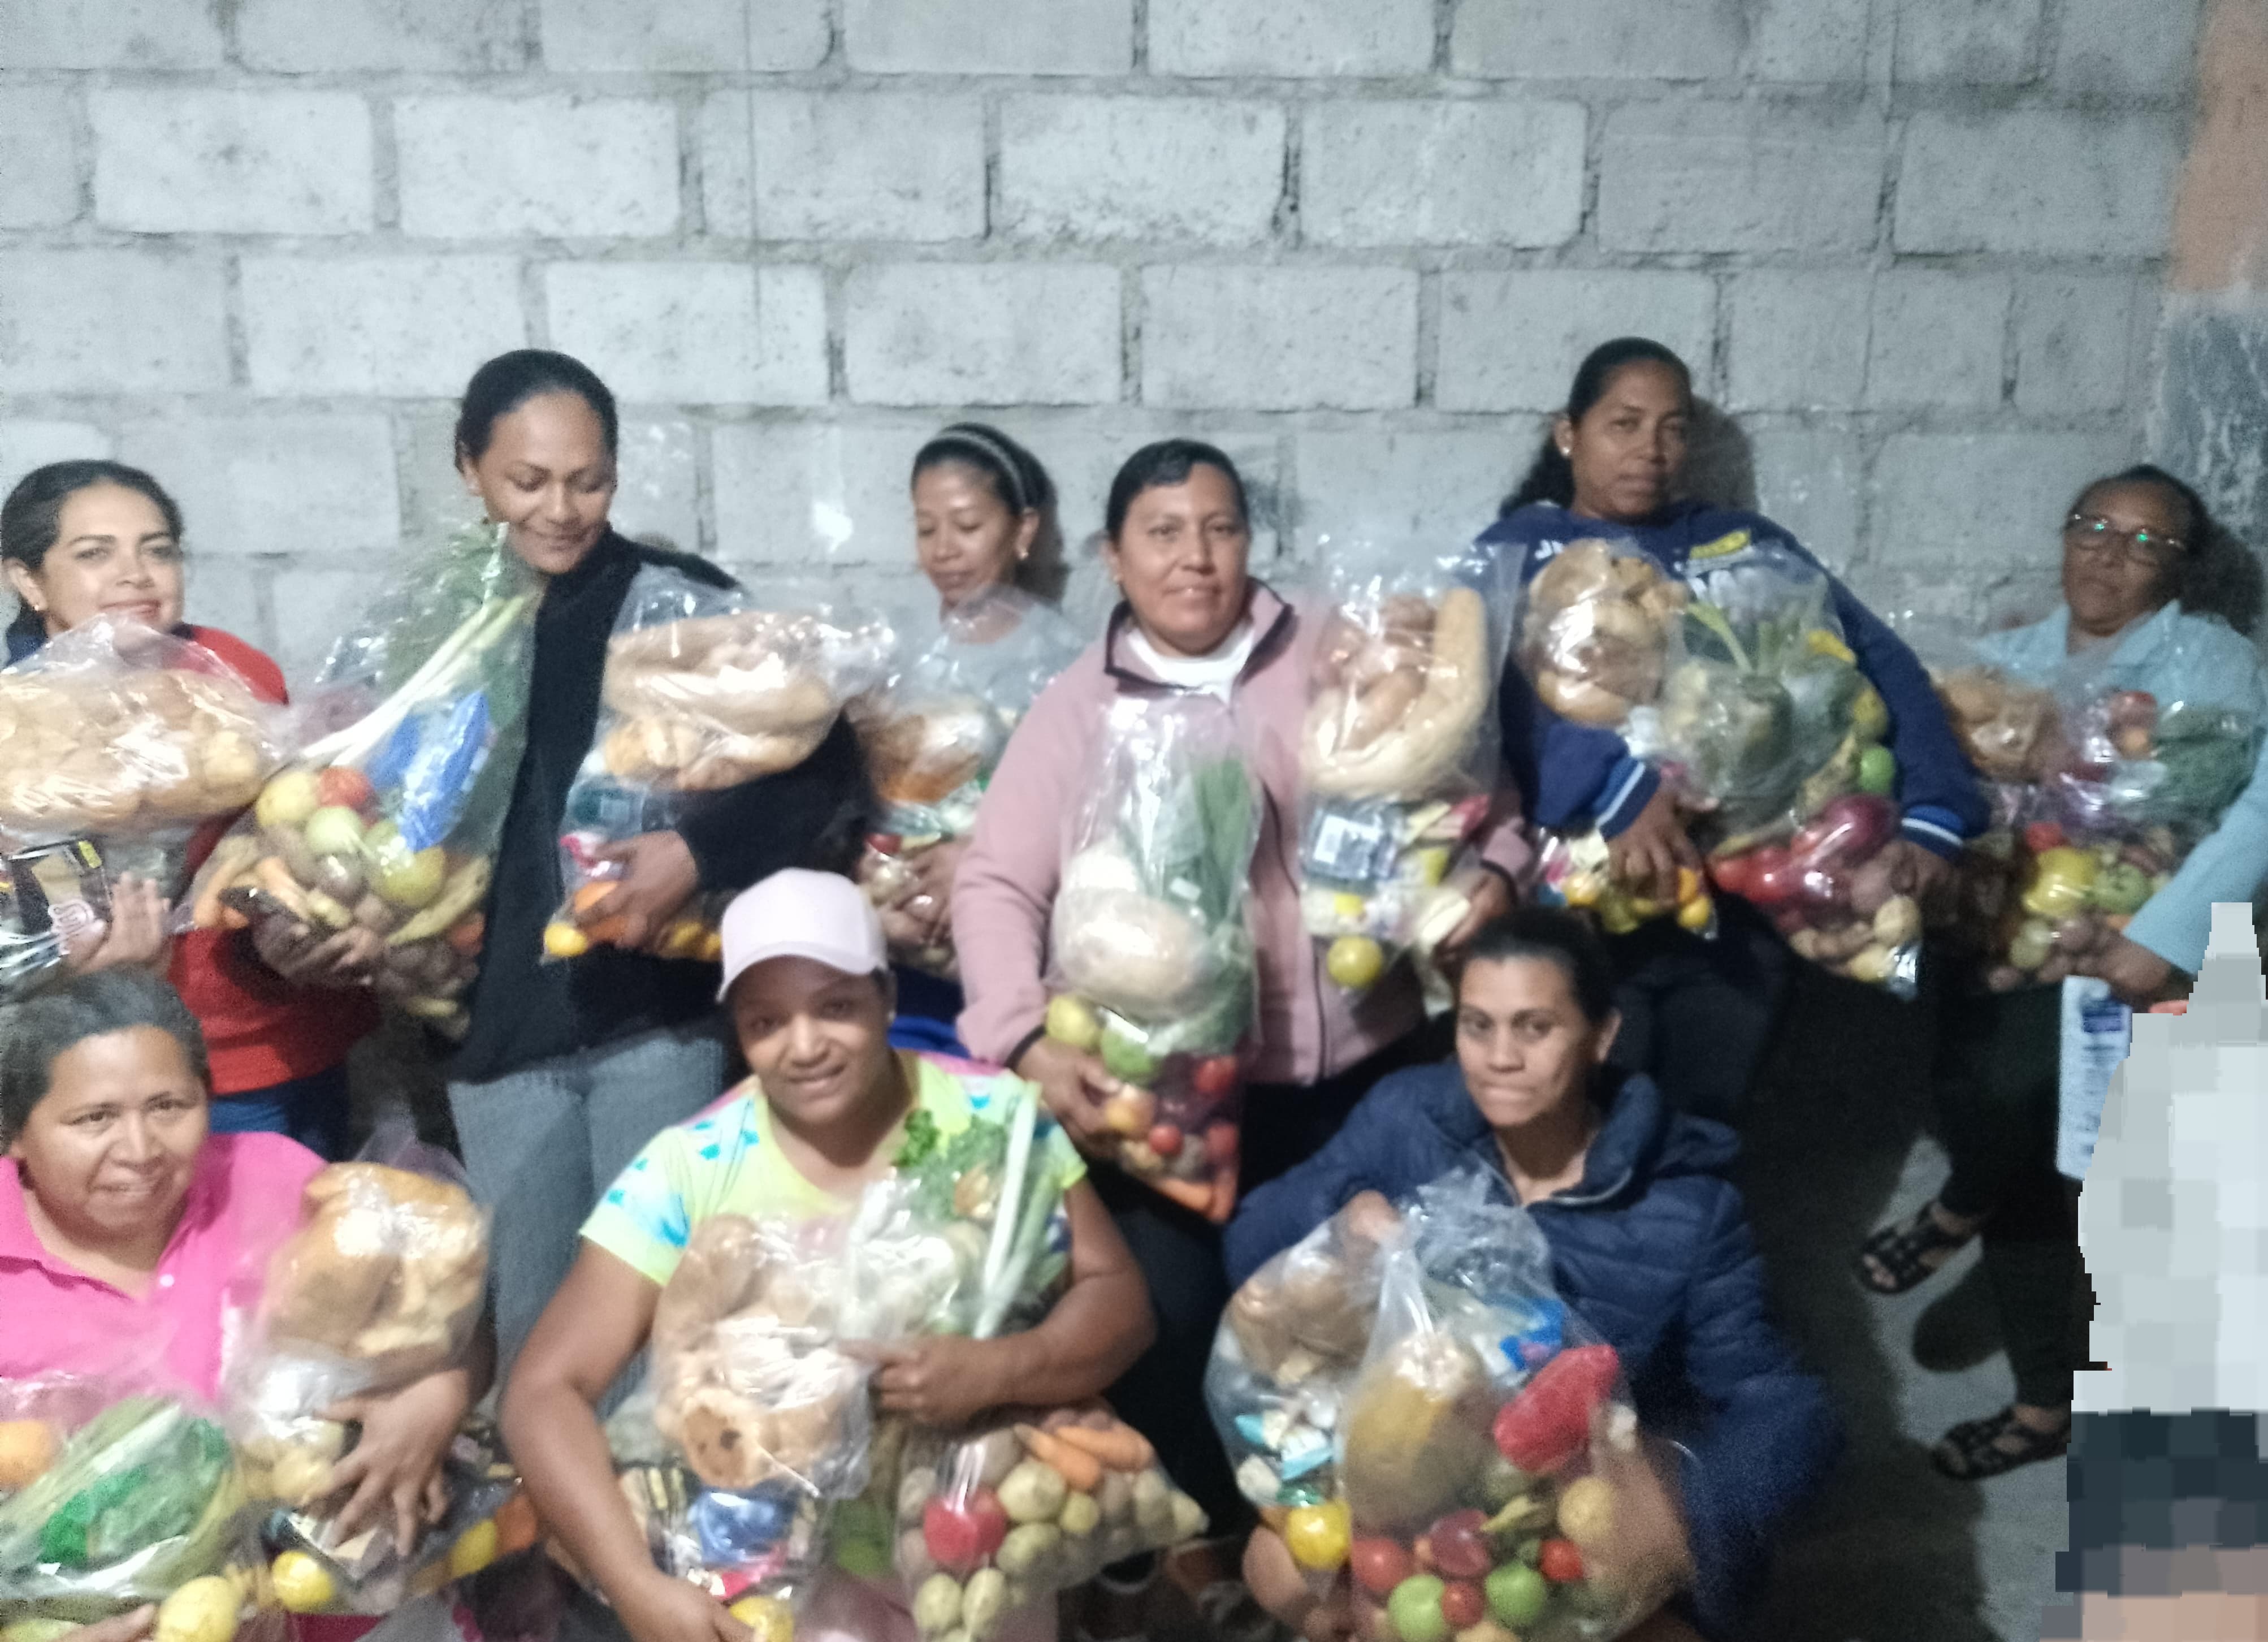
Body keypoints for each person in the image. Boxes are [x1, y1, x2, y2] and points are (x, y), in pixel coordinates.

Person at [953, 439, 1531, 1574]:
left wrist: (1496, 876)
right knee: (1171, 1328)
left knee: (1362, 1337)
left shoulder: (1330, 648)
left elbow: (1472, 786)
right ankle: (1211, 1557)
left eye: (1219, 529)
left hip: (1364, 1075)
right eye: (1163, 534)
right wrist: (1020, 1037)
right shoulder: (1078, 710)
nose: (1196, 558)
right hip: (1170, 1105)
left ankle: (1353, 1571)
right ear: (1113, 556)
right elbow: (994, 883)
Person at [500, 868, 1153, 1642]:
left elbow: (1118, 1297)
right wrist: (635, 1585)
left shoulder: (993, 1119)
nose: (804, 1046)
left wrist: (1002, 1370)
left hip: (980, 1560)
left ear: (888, 998)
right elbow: (542, 1392)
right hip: (777, 1588)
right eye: (767, 1022)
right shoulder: (689, 1169)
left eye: (836, 1007)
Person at [1226, 908, 1841, 1642]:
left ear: (1601, 1036)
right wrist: (1335, 1220)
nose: (1499, 1058)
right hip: (1404, 1464)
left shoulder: (1684, 1210)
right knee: (1277, 1568)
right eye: (1477, 1026)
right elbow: (1251, 1240)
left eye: (1534, 1027)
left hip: (1557, 1509)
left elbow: (1783, 1406)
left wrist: (1684, 1502)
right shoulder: (1408, 1117)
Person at [440, 350, 871, 1376]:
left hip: (656, 1022)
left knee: (669, 1334)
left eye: (587, 481)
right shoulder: (437, 629)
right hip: (499, 1041)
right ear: (469, 469)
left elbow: (827, 770)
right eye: (528, 481)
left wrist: (693, 849)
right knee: (537, 1346)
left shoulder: (678, 609)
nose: (561, 509)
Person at [1857, 465, 2268, 1479]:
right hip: (2006, 938)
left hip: (2123, 953)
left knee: (2025, 1134)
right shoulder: (2009, 659)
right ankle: (2045, 1401)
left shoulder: (2212, 661)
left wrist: (2165, 931)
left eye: (2144, 541)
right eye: (2093, 526)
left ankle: (1959, 1220)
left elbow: (2251, 803)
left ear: (2178, 567)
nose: (2108, 553)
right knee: (2004, 1128)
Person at [1485, 338, 1988, 1123]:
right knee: (1583, 1131)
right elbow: (1487, 700)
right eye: (1624, 424)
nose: (1651, 450)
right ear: (1568, 434)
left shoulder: (1745, 545)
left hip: (1751, 907)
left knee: (1706, 1124)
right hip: (1589, 910)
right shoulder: (1518, 550)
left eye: (1673, 428)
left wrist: (1937, 811)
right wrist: (1613, 786)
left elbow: (1878, 660)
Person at [0, 970, 480, 1568]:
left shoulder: (274, 1179)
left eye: (168, 1106)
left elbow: (447, 1318)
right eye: (95, 1119)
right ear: (15, 1134)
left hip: (340, 1576)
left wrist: (441, 1393)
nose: (140, 1150)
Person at [3, 460, 375, 1155]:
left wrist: (318, 921)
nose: (135, 575)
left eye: (158, 550)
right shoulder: (18, 720)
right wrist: (82, 958)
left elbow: (285, 836)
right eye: (94, 554)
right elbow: (38, 917)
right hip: (112, 1071)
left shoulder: (230, 672)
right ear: (28, 580)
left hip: (274, 1044)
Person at [876, 425, 1078, 1056]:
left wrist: (982, 857)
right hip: (902, 963)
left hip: (1019, 968)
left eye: (967, 526)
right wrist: (878, 878)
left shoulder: (1070, 664)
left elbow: (1092, 812)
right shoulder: (893, 653)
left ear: (1023, 530)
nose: (944, 550)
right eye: (926, 528)